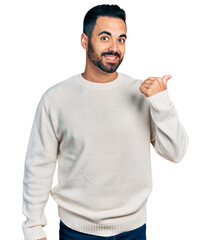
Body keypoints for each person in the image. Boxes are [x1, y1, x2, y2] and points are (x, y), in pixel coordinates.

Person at [21, 4, 189, 240]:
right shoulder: (56, 98)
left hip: (133, 230)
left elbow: (176, 152)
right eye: (104, 37)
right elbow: (38, 166)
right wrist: (33, 228)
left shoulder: (144, 94)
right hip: (75, 231)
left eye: (121, 39)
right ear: (84, 40)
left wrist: (162, 104)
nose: (114, 47)